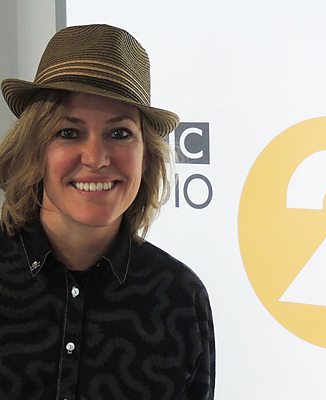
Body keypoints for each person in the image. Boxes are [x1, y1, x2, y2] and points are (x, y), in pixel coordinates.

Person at [0, 24, 215, 400]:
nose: (96, 158)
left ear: (147, 156)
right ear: (34, 149)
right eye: (69, 132)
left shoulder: (181, 296)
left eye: (120, 134)